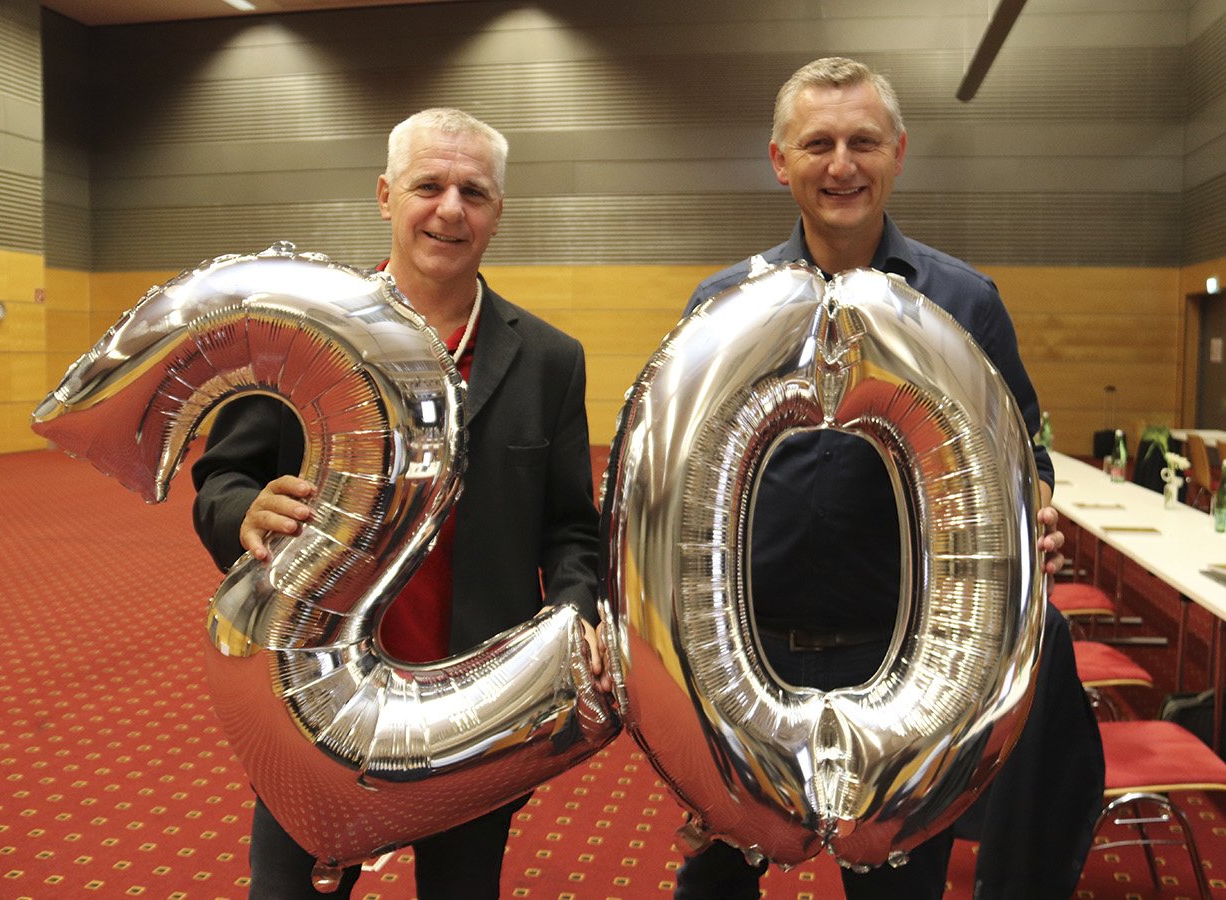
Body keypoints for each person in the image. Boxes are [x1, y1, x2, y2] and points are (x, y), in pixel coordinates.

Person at [671, 58, 1104, 900]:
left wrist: (1034, 512)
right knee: (716, 885)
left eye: (863, 141)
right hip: (747, 662)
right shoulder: (722, 306)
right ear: (779, 160)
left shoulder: (965, 304)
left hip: (911, 672)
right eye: (819, 143)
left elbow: (1030, 458)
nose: (842, 164)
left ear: (898, 152)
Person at [190, 108, 605, 900]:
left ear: (498, 212)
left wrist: (577, 608)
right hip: (311, 698)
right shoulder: (306, 335)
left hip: (477, 707)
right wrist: (244, 512)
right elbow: (222, 479)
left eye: (473, 192)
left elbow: (568, 526)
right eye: (429, 186)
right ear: (386, 195)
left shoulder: (550, 360)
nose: (450, 209)